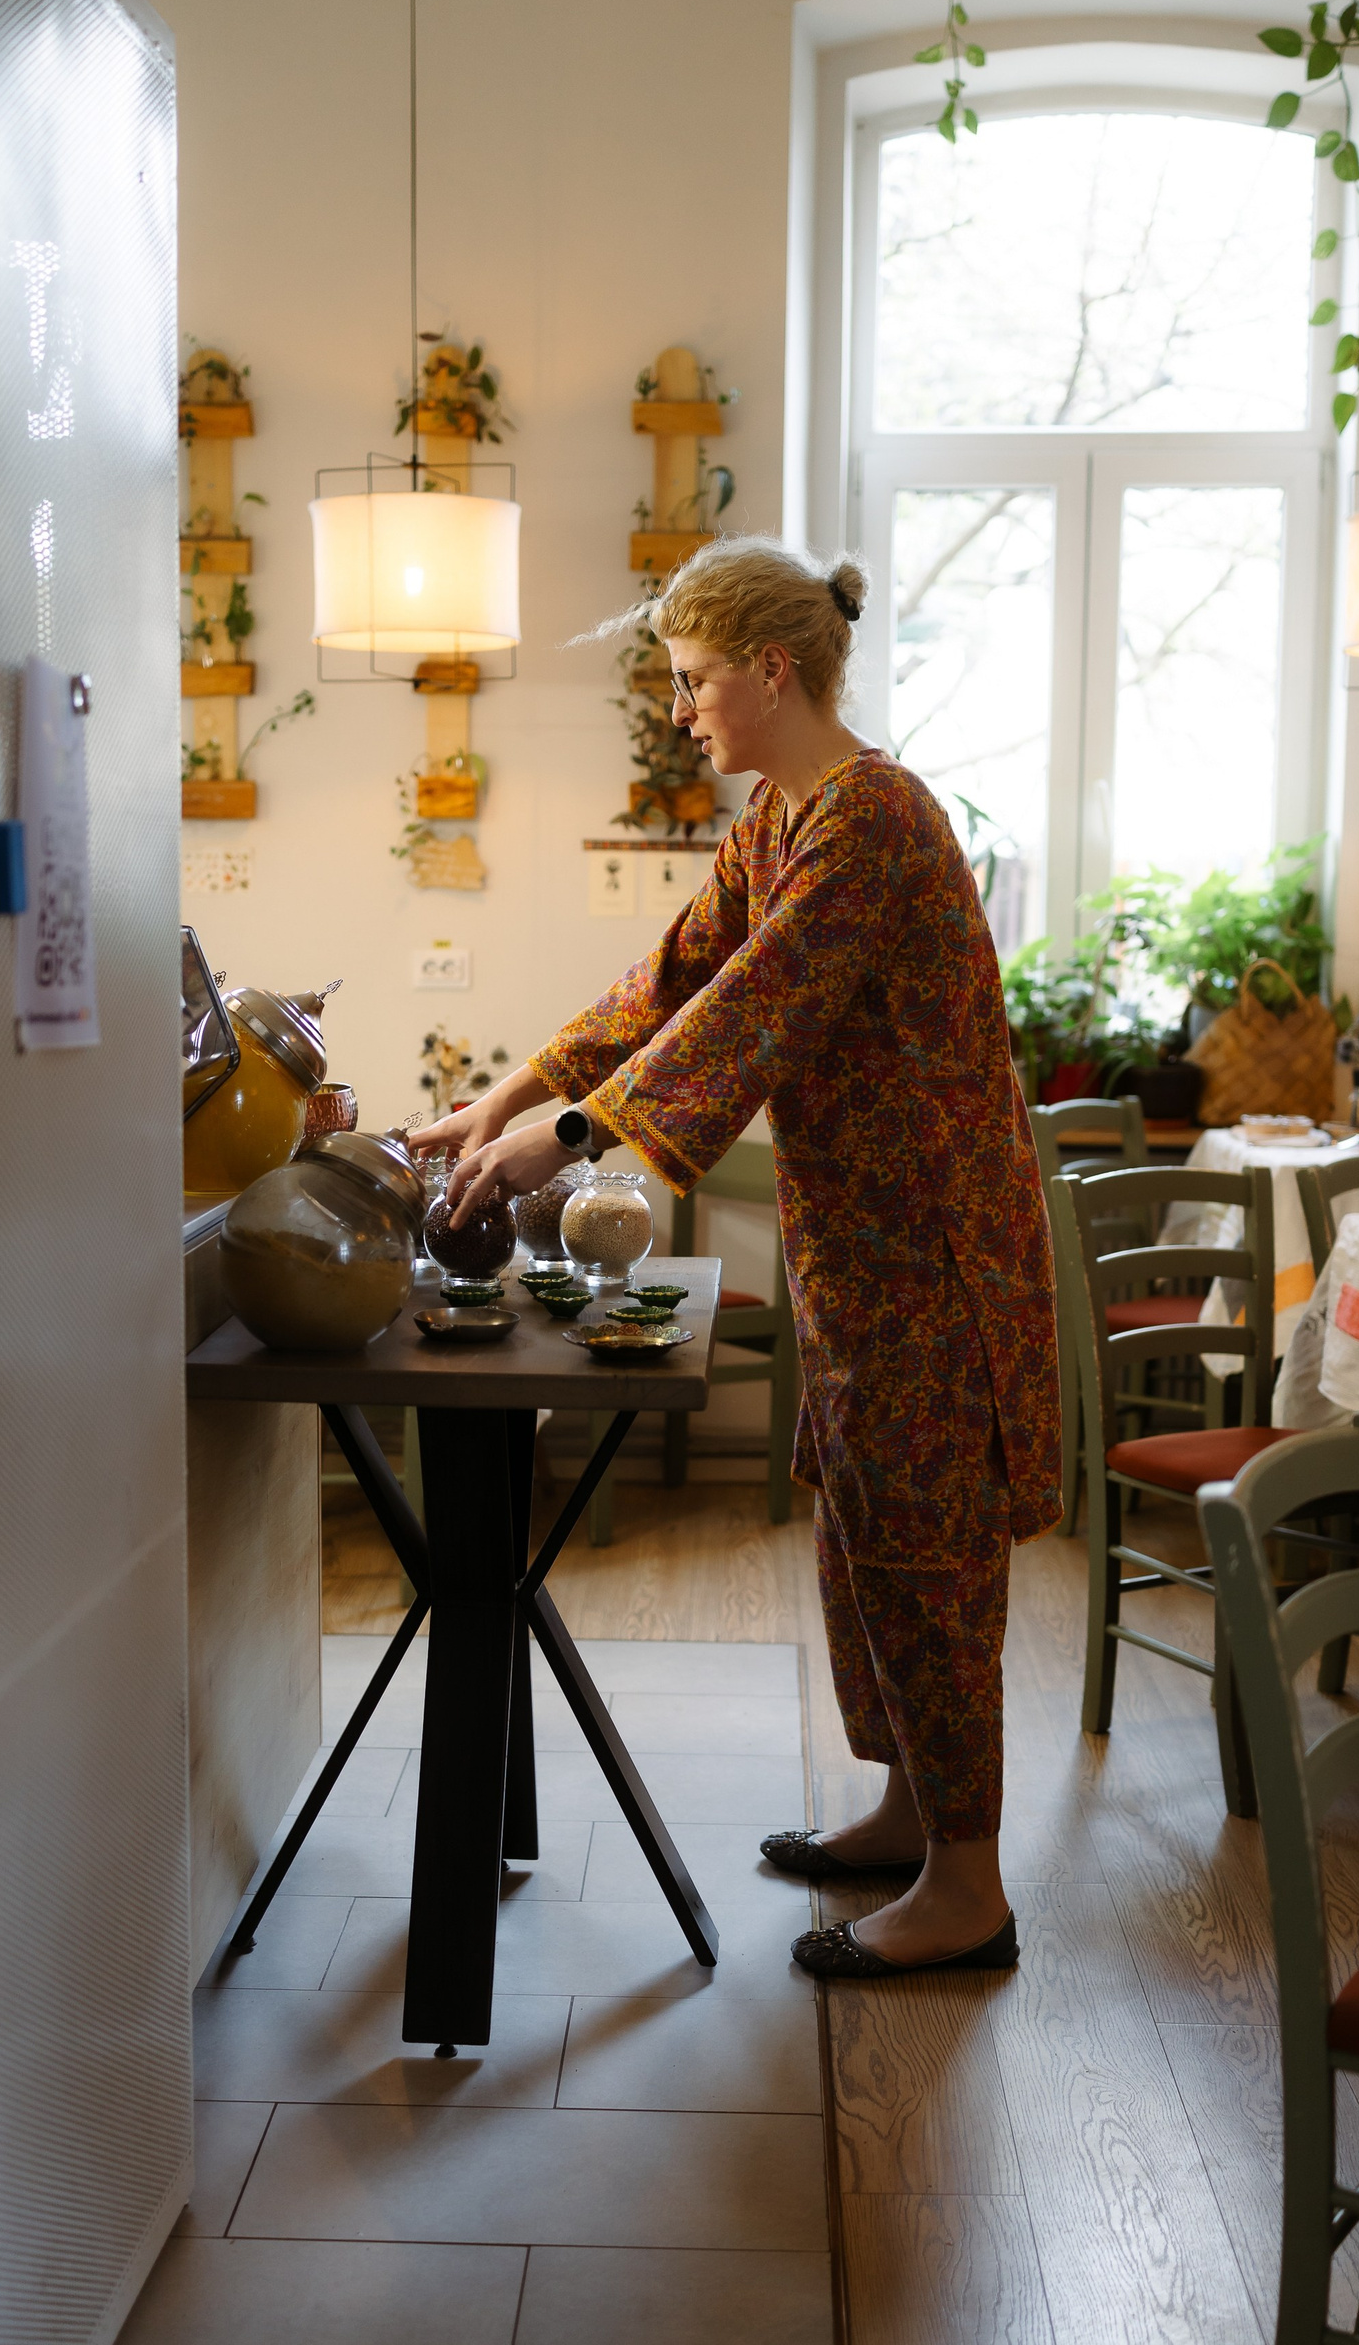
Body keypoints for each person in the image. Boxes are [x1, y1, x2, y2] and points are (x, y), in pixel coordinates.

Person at [413, 535, 1059, 1976]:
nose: (681, 708)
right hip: (861, 1247)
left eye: (696, 680)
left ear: (773, 670)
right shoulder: (781, 817)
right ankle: (915, 1813)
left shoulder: (874, 821)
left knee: (931, 1547)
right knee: (866, 1525)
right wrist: (507, 1096)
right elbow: (671, 979)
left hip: (936, 1251)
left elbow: (751, 1010)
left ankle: (970, 1888)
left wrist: (569, 1139)